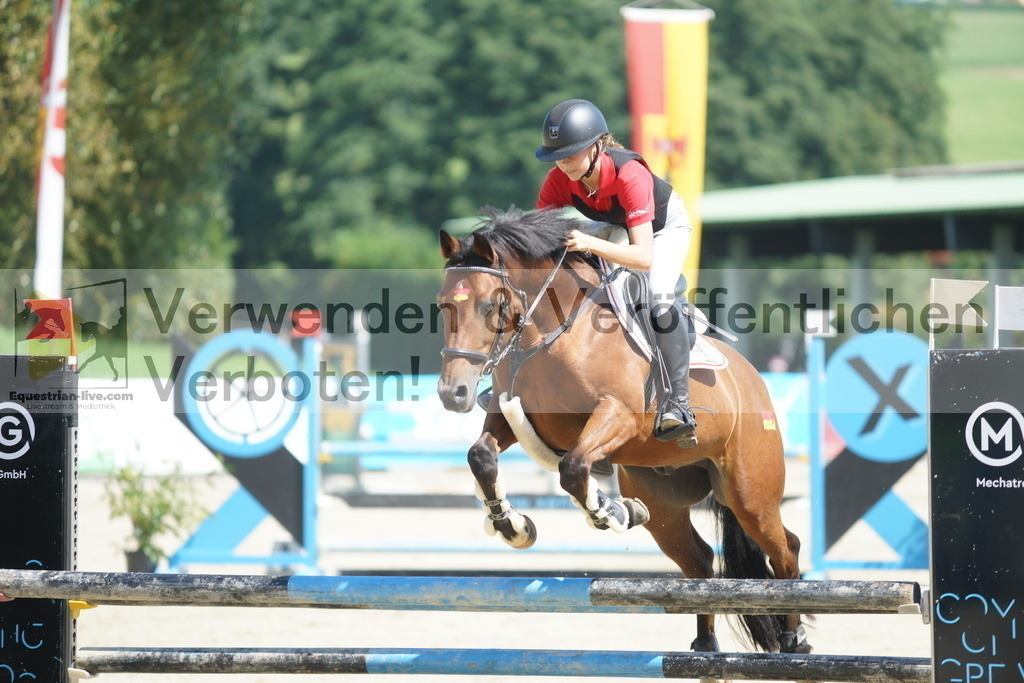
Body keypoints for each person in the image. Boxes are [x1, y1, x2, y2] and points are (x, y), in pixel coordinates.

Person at [535, 98, 697, 445]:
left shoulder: (630, 174)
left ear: (598, 145)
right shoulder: (559, 178)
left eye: (572, 153)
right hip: (617, 226)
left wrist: (588, 244)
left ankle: (679, 405)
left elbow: (642, 257)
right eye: (557, 155)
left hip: (660, 232)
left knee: (657, 298)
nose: (563, 162)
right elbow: (538, 236)